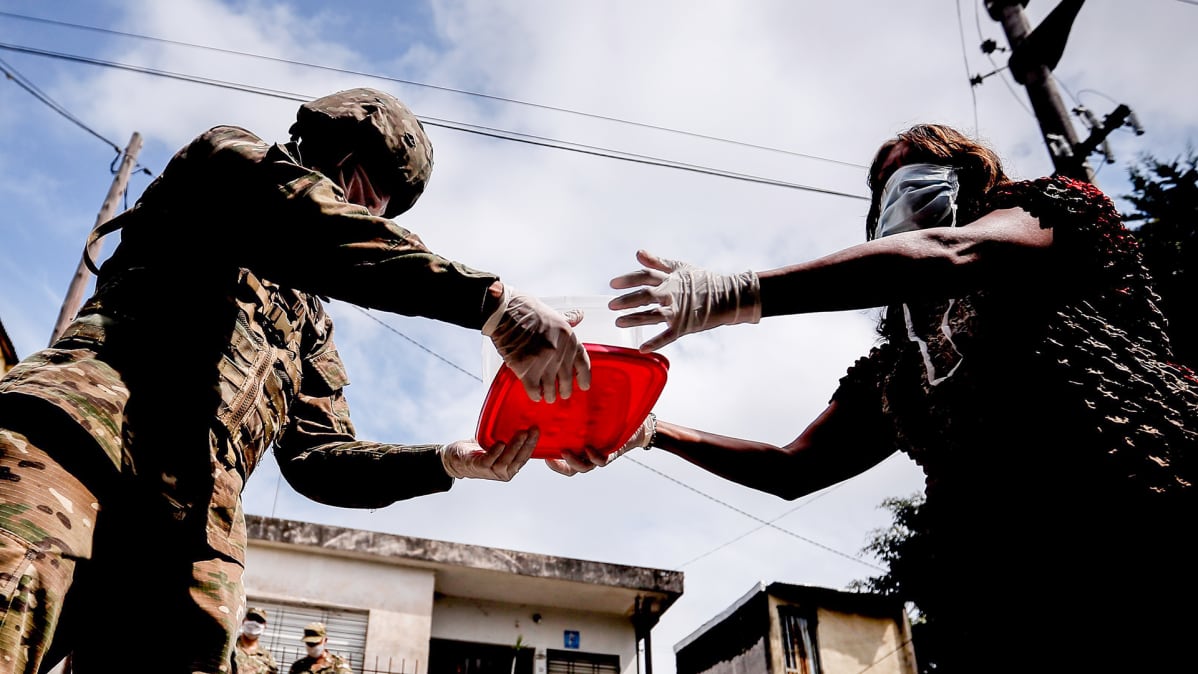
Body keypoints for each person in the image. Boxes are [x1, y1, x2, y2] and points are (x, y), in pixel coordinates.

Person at [560, 124, 1198, 670]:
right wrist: (650, 430)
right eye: (885, 182)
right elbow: (794, 469)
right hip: (1025, 602)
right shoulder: (897, 372)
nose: (902, 187)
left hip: (1155, 522)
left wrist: (738, 292)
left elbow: (949, 253)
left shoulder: (1049, 216)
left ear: (972, 177)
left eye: (919, 167)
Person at [0, 87, 590, 674]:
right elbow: (315, 224)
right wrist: (489, 302)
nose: (372, 210)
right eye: (365, 184)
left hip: (193, 537)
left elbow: (319, 459)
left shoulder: (308, 323)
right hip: (78, 450)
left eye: (386, 203)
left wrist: (446, 462)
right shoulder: (228, 162)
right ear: (328, 147)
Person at [233, 607, 279, 674]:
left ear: (265, 626)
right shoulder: (229, 649)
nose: (254, 622)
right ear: (243, 621)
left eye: (259, 620)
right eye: (251, 618)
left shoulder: (268, 658)